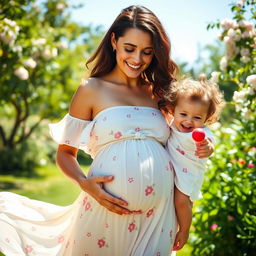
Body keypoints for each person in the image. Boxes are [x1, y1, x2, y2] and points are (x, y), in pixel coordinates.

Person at [0, 6, 213, 255]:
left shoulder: (161, 92)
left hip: (158, 215)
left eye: (147, 52)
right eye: (129, 49)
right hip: (104, 208)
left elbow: (184, 135)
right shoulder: (91, 89)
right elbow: (65, 153)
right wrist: (84, 183)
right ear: (114, 41)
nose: (137, 59)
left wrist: (204, 146)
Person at [164, 75, 225, 251]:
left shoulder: (201, 133)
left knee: (182, 201)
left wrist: (208, 147)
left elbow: (209, 143)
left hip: (189, 172)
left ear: (207, 118)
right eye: (183, 114)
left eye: (197, 117)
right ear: (173, 110)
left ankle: (184, 230)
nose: (189, 121)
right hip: (174, 169)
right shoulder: (172, 125)